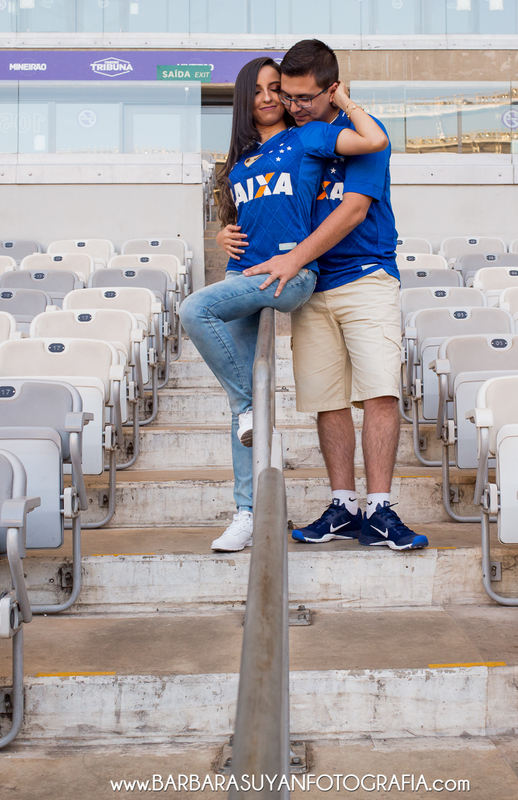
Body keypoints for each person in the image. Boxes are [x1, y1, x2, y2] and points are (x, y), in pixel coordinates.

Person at [219, 39, 428, 551]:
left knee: (379, 391)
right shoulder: (296, 141)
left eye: (303, 97)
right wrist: (228, 230)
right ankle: (343, 505)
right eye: (286, 97)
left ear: (331, 89)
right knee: (328, 401)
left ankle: (379, 510)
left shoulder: (358, 134)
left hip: (364, 276)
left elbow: (352, 210)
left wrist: (293, 259)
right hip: (312, 287)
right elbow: (262, 202)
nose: (292, 105)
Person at [180, 56, 388, 552]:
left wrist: (339, 98)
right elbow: (242, 216)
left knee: (194, 311)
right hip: (243, 274)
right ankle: (247, 511)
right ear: (243, 100)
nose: (272, 98)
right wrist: (224, 233)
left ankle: (249, 406)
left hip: (291, 273)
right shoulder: (236, 163)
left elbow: (374, 141)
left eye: (279, 90)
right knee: (244, 416)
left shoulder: (309, 135)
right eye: (259, 91)